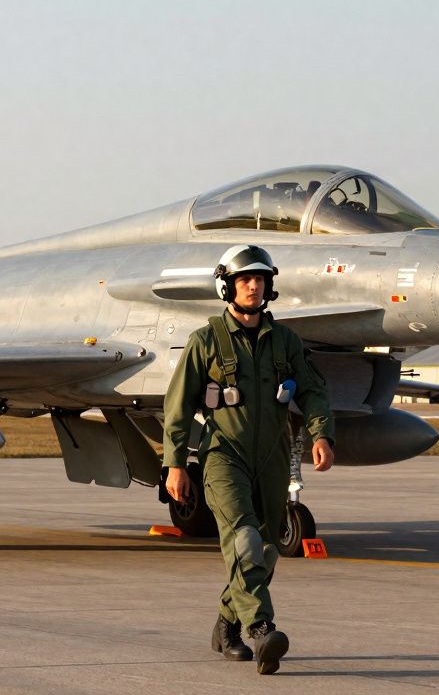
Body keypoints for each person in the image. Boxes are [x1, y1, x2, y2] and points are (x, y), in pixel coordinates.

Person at [162, 244, 335, 675]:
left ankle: (226, 625)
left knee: (268, 550)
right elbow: (178, 406)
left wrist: (321, 433)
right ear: (228, 286)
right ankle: (261, 629)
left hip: (273, 456)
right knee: (244, 539)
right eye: (245, 279)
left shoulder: (286, 342)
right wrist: (176, 464)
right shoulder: (206, 342)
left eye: (260, 279)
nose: (254, 286)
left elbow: (313, 389)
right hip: (224, 455)